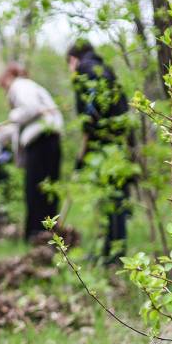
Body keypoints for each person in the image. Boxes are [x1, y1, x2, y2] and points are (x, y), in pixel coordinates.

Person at [66, 40, 134, 263]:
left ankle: (114, 256)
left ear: (73, 59)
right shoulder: (105, 69)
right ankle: (108, 250)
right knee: (112, 199)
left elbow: (92, 108)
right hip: (119, 142)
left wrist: (88, 125)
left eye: (68, 64)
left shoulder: (85, 70)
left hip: (107, 146)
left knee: (113, 199)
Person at [0, 63, 64, 239]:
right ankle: (46, 235)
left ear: (8, 78)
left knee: (36, 191)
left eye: (4, 86)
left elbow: (29, 109)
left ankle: (37, 235)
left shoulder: (20, 85)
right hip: (48, 141)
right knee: (46, 191)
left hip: (41, 142)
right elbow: (15, 129)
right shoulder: (30, 88)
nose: (5, 92)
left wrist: (13, 116)